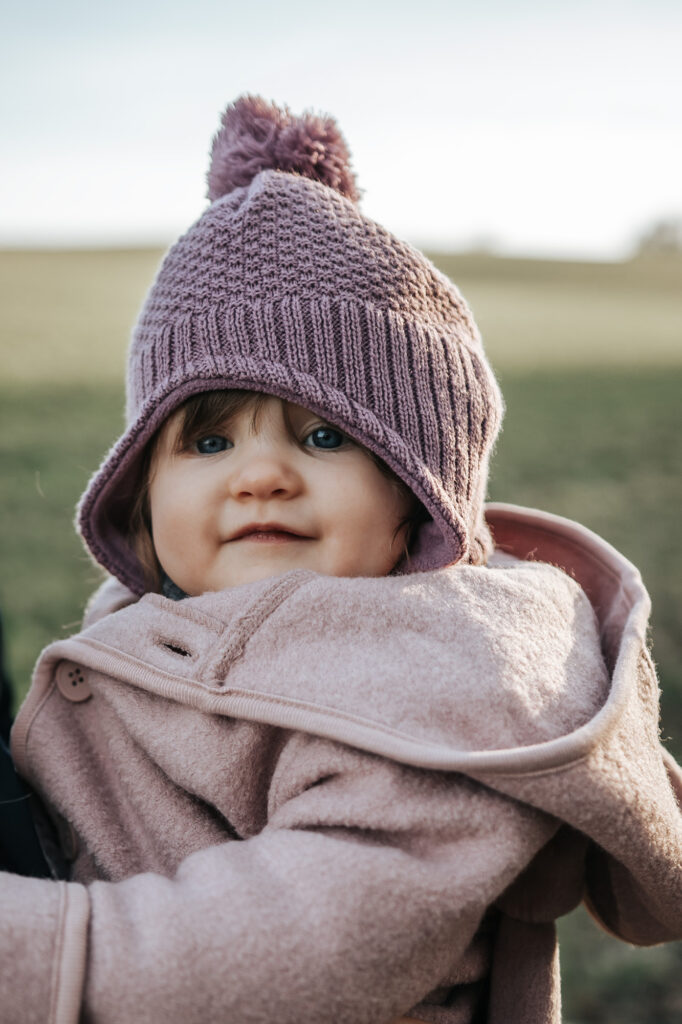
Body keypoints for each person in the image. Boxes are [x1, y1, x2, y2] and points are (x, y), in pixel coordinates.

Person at [2, 95, 681, 1024]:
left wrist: (40, 953)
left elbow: (309, 951)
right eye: (207, 444)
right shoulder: (143, 629)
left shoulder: (437, 691)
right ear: (139, 490)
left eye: (323, 436)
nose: (263, 477)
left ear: (416, 495)